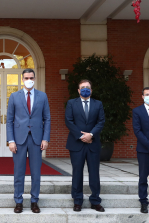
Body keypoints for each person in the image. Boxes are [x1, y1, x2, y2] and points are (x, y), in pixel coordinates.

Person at [6, 68, 51, 214]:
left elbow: (47, 119)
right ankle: (18, 201)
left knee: (36, 172)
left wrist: (45, 138)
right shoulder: (14, 96)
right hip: (19, 139)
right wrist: (10, 140)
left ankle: (34, 201)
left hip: (37, 139)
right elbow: (10, 121)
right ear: (22, 79)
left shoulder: (42, 96)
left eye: (31, 77)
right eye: (26, 78)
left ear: (35, 78)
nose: (29, 80)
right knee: (19, 172)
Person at [65, 79, 105, 212]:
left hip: (93, 144)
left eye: (88, 87)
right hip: (76, 144)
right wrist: (82, 136)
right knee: (77, 173)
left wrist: (91, 135)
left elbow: (101, 121)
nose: (85, 89)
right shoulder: (71, 103)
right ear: (78, 90)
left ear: (91, 90)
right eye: (83, 87)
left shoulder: (98, 104)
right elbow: (69, 121)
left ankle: (95, 200)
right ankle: (77, 201)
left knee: (94, 173)